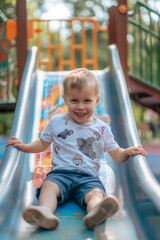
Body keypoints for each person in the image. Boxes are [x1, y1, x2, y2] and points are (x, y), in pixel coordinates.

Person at [6, 68, 147, 230]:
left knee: (95, 194)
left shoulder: (102, 129)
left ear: (97, 100)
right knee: (48, 187)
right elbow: (42, 143)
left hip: (88, 177)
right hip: (60, 174)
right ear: (65, 99)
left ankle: (96, 212)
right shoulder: (56, 122)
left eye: (87, 101)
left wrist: (127, 152)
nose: (80, 107)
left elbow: (116, 153)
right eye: (74, 101)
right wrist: (23, 147)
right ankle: (45, 213)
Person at [0, 20, 16, 102]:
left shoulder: (6, 36)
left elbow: (12, 44)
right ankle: (3, 96)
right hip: (1, 61)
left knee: (8, 76)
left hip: (6, 60)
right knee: (3, 79)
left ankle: (7, 95)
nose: (1, 29)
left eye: (2, 27)